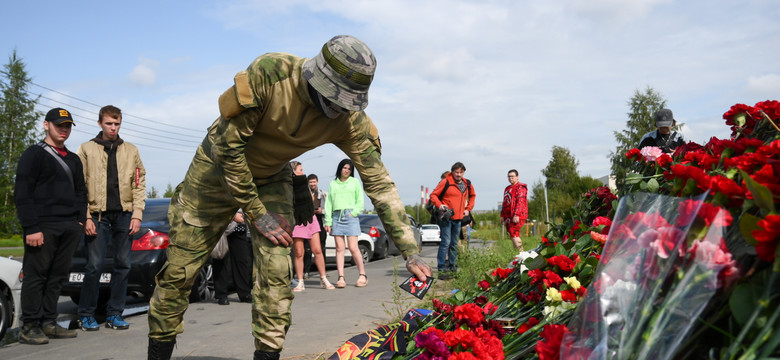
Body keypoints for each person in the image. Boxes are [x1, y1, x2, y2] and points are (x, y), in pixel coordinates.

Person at [146, 35, 431, 360]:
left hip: (269, 178)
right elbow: (229, 151)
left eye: (347, 101)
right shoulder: (271, 74)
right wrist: (256, 213)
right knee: (179, 273)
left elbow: (379, 182)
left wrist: (410, 251)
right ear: (317, 77)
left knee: (276, 276)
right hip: (214, 173)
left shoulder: (349, 119)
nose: (337, 108)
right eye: (334, 97)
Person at [14, 107, 87, 344]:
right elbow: (23, 193)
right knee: (36, 276)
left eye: (67, 126)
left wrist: (79, 221)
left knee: (57, 276)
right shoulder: (33, 154)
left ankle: (49, 322)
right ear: (46, 125)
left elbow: (80, 192)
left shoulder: (74, 159)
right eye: (59, 125)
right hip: (42, 226)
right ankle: (30, 326)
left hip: (69, 226)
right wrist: (31, 227)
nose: (63, 130)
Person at [76, 105, 146, 331]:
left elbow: (139, 183)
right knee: (94, 266)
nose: (113, 128)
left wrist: (137, 215)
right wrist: (86, 216)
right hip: (97, 216)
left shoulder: (131, 150)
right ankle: (86, 314)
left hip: (124, 216)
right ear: (100, 124)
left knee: (123, 265)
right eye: (109, 123)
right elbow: (79, 185)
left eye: (117, 124)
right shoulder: (86, 149)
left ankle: (115, 314)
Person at [290, 162, 335, 291]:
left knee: (318, 250)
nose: (303, 172)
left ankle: (323, 278)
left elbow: (310, 200)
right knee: (299, 253)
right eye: (300, 170)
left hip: (310, 219)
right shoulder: (288, 186)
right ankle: (300, 281)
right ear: (293, 172)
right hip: (297, 221)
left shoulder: (305, 184)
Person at [323, 159, 367, 288]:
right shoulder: (333, 184)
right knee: (339, 248)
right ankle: (341, 277)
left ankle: (362, 275)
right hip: (336, 216)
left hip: (350, 216)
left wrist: (354, 213)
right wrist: (328, 221)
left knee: (353, 248)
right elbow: (329, 203)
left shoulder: (354, 182)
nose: (346, 170)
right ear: (340, 168)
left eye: (349, 169)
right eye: (344, 168)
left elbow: (360, 200)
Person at [429, 162, 476, 280]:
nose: (458, 174)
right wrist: (440, 205)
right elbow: (433, 195)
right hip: (446, 217)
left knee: (454, 244)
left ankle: (453, 268)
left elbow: (473, 196)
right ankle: (441, 269)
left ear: (463, 172)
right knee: (446, 242)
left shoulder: (467, 183)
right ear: (452, 172)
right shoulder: (446, 182)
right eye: (456, 172)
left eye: (461, 172)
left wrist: (468, 209)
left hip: (459, 218)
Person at [213, 210, 253, 305]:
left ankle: (245, 294)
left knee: (242, 261)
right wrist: (233, 215)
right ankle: (221, 295)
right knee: (220, 260)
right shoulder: (218, 194)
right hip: (221, 227)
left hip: (239, 227)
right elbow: (216, 204)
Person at [306, 173, 328, 277]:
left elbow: (328, 209)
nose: (312, 184)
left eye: (314, 182)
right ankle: (306, 271)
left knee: (322, 247)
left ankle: (323, 271)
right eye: (310, 182)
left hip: (320, 221)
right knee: (307, 248)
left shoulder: (323, 194)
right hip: (308, 221)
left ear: (317, 182)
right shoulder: (305, 194)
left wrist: (321, 211)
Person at [501, 169, 528, 250]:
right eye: (509, 176)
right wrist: (502, 215)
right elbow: (505, 202)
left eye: (512, 176)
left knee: (514, 234)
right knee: (512, 235)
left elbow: (521, 201)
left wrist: (517, 214)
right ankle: (517, 255)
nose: (510, 178)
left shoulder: (521, 187)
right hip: (508, 216)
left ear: (517, 177)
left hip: (518, 215)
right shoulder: (507, 188)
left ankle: (522, 255)